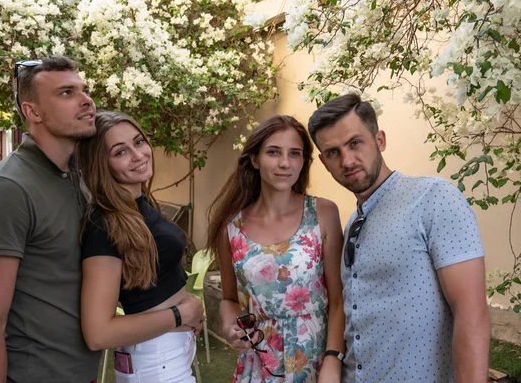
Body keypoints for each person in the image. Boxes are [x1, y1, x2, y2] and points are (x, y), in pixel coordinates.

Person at [308, 93, 491, 383]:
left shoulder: (434, 199)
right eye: (333, 152)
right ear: (323, 161)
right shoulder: (353, 222)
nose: (347, 160)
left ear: (379, 140)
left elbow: (472, 315)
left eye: (355, 143)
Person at [0, 55, 102, 383]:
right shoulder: (6, 189)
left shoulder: (78, 177)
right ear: (32, 111)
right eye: (67, 93)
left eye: (84, 90)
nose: (86, 100)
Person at [207, 115, 345, 383]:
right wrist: (229, 327)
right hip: (260, 364)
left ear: (303, 161)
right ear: (255, 160)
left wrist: (332, 360)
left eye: (295, 154)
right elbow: (228, 299)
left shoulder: (323, 213)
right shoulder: (231, 226)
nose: (285, 163)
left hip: (315, 360)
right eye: (273, 152)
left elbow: (339, 301)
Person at [77, 110, 205, 383]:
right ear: (101, 164)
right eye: (120, 152)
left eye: (138, 142)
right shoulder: (104, 224)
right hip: (154, 359)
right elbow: (98, 333)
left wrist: (187, 309)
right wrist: (180, 313)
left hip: (169, 351)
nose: (138, 155)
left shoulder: (139, 204)